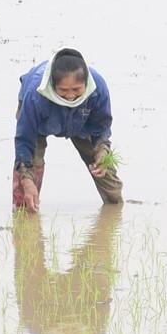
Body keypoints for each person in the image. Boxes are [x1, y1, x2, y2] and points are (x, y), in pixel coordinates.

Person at [13, 208, 121, 334]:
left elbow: (102, 280)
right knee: (26, 222)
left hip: (77, 288)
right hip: (45, 290)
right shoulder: (92, 329)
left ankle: (112, 202)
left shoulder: (38, 328)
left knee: (100, 243)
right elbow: (25, 272)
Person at [13, 47, 121, 211]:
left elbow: (102, 126)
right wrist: (26, 178)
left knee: (109, 182)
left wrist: (102, 150)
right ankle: (24, 222)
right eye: (63, 90)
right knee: (26, 193)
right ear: (53, 84)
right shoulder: (35, 95)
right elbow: (24, 139)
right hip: (40, 122)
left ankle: (114, 215)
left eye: (76, 89)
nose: (70, 96)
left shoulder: (97, 89)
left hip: (82, 122)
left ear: (85, 83)